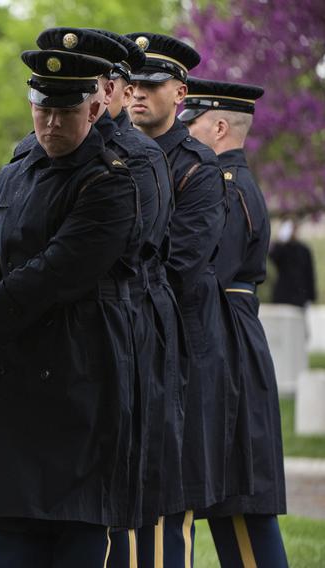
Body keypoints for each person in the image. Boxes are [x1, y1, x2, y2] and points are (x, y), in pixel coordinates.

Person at [0, 46, 140, 566]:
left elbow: (60, 268)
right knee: (4, 535)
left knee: (75, 532)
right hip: (15, 376)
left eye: (65, 110)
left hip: (81, 369)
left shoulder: (111, 180)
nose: (51, 121)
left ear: (93, 109)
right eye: (43, 108)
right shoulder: (18, 170)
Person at [20, 33, 184, 558]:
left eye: (103, 81)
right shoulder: (32, 150)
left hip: (113, 331)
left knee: (113, 498)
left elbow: (126, 255)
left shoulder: (136, 158)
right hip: (39, 334)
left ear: (106, 87)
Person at [126, 31, 246, 567]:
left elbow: (178, 266)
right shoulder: (108, 155)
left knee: (164, 510)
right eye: (130, 83)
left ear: (180, 93)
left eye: (151, 84)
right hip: (115, 350)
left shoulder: (198, 168)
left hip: (171, 355)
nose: (136, 94)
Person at [181, 78, 289, 567]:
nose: (184, 134)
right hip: (227, 337)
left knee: (240, 500)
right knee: (230, 495)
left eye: (192, 122)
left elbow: (207, 274)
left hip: (227, 346)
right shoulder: (231, 183)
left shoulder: (225, 188)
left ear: (220, 126)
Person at [270, 218, 317, 308]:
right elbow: (273, 257)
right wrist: (281, 239)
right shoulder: (282, 248)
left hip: (300, 295)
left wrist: (311, 297)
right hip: (283, 295)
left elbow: (310, 273)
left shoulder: (304, 249)